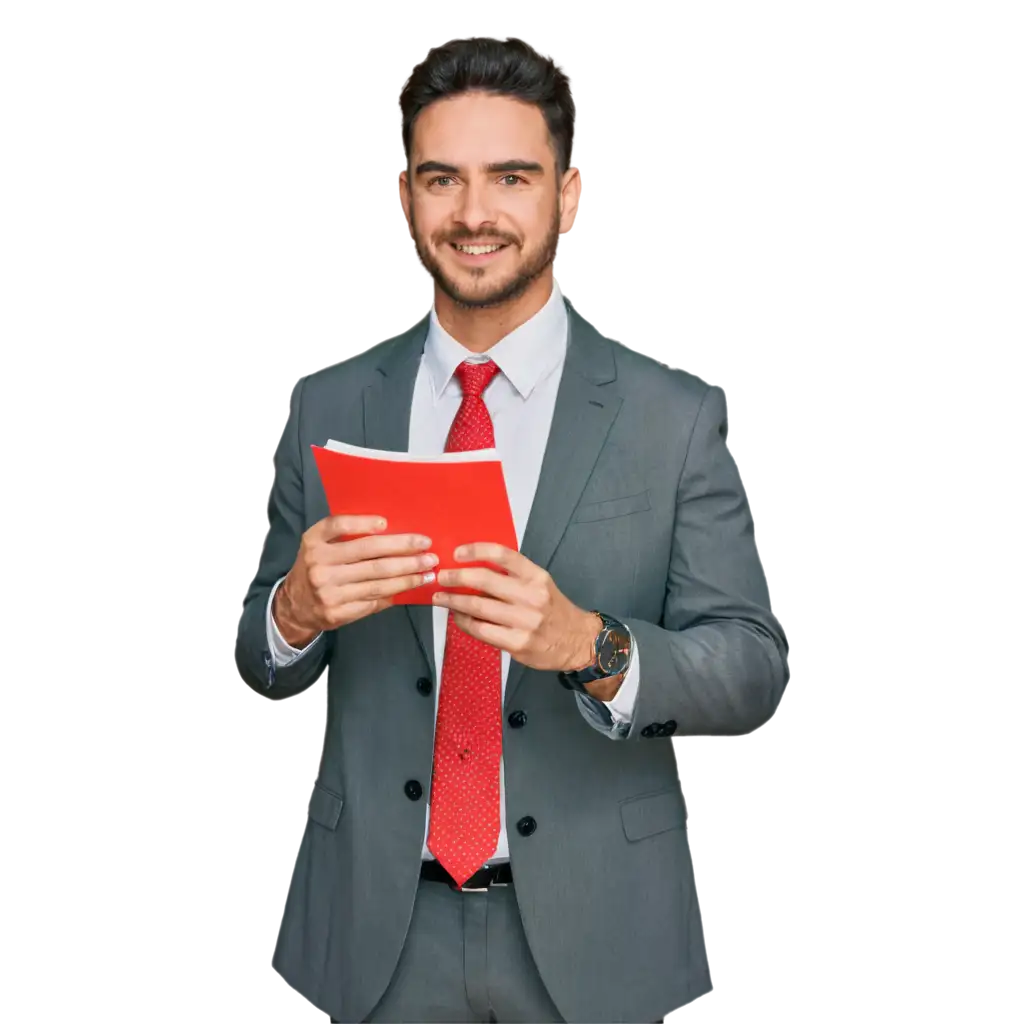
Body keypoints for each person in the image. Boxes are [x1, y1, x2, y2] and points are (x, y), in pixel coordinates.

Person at [231, 36, 788, 1024]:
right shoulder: (325, 402)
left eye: (511, 177)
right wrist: (292, 610)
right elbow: (256, 654)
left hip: (595, 932)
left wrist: (594, 647)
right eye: (441, 178)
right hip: (376, 930)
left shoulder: (673, 414)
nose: (475, 213)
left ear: (565, 194)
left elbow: (749, 668)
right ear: (402, 196)